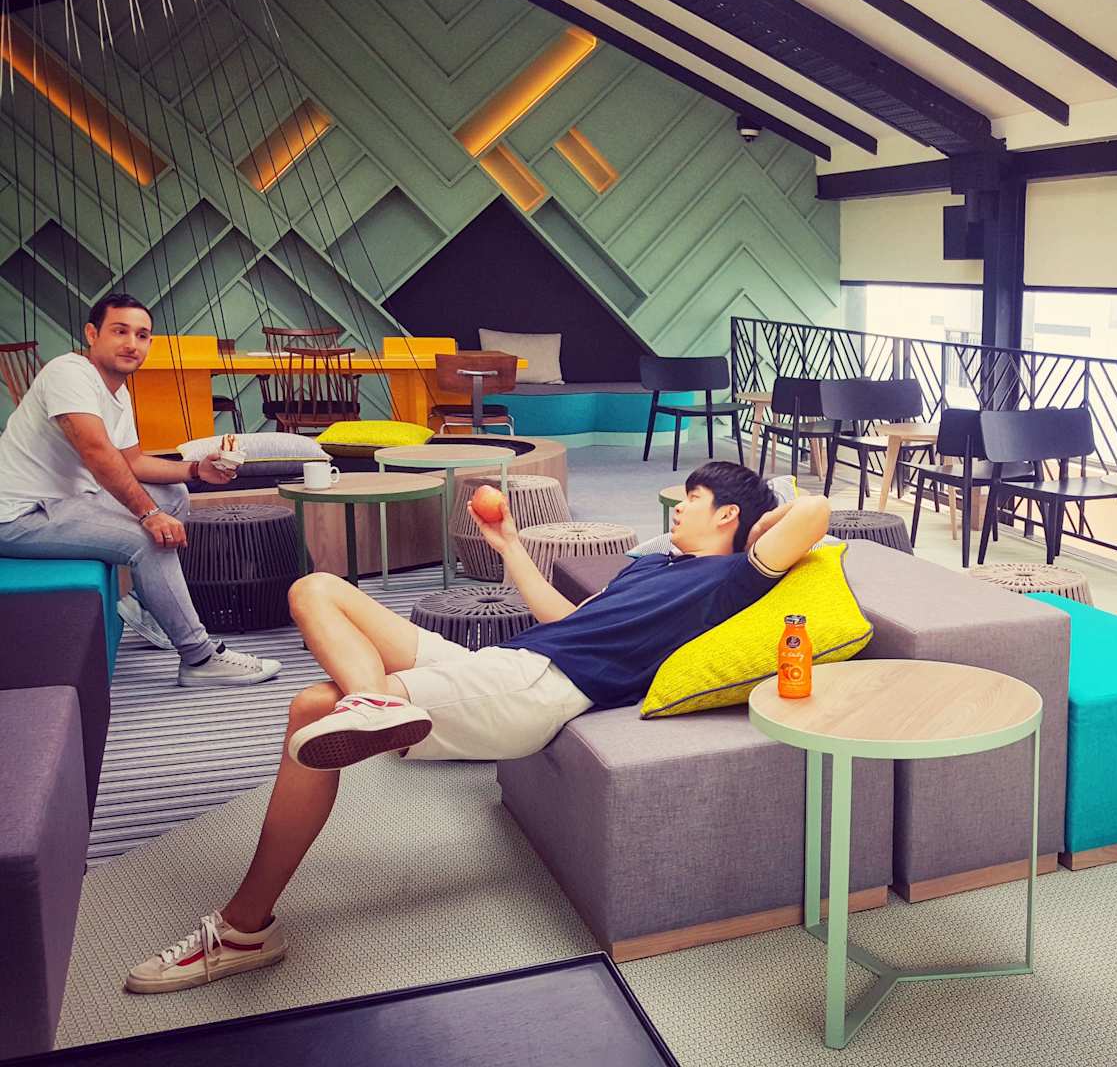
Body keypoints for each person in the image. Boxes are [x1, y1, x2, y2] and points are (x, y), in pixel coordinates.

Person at [124, 461, 827, 993]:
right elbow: (564, 619)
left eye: (693, 499)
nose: (678, 507)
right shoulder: (654, 566)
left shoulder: (733, 580)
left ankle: (244, 929)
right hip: (507, 661)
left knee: (312, 707)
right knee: (316, 588)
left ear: (727, 515)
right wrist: (509, 542)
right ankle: (374, 705)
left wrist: (758, 525)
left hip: (534, 690)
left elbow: (814, 511)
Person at [0, 293, 281, 686]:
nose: (132, 343)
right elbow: (97, 452)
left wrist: (196, 470)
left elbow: (131, 461)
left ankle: (147, 607)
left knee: (175, 494)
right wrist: (149, 515)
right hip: (19, 516)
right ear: (92, 334)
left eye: (142, 335)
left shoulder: (118, 392)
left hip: (66, 502)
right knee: (146, 539)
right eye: (120, 331)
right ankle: (199, 658)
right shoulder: (68, 373)